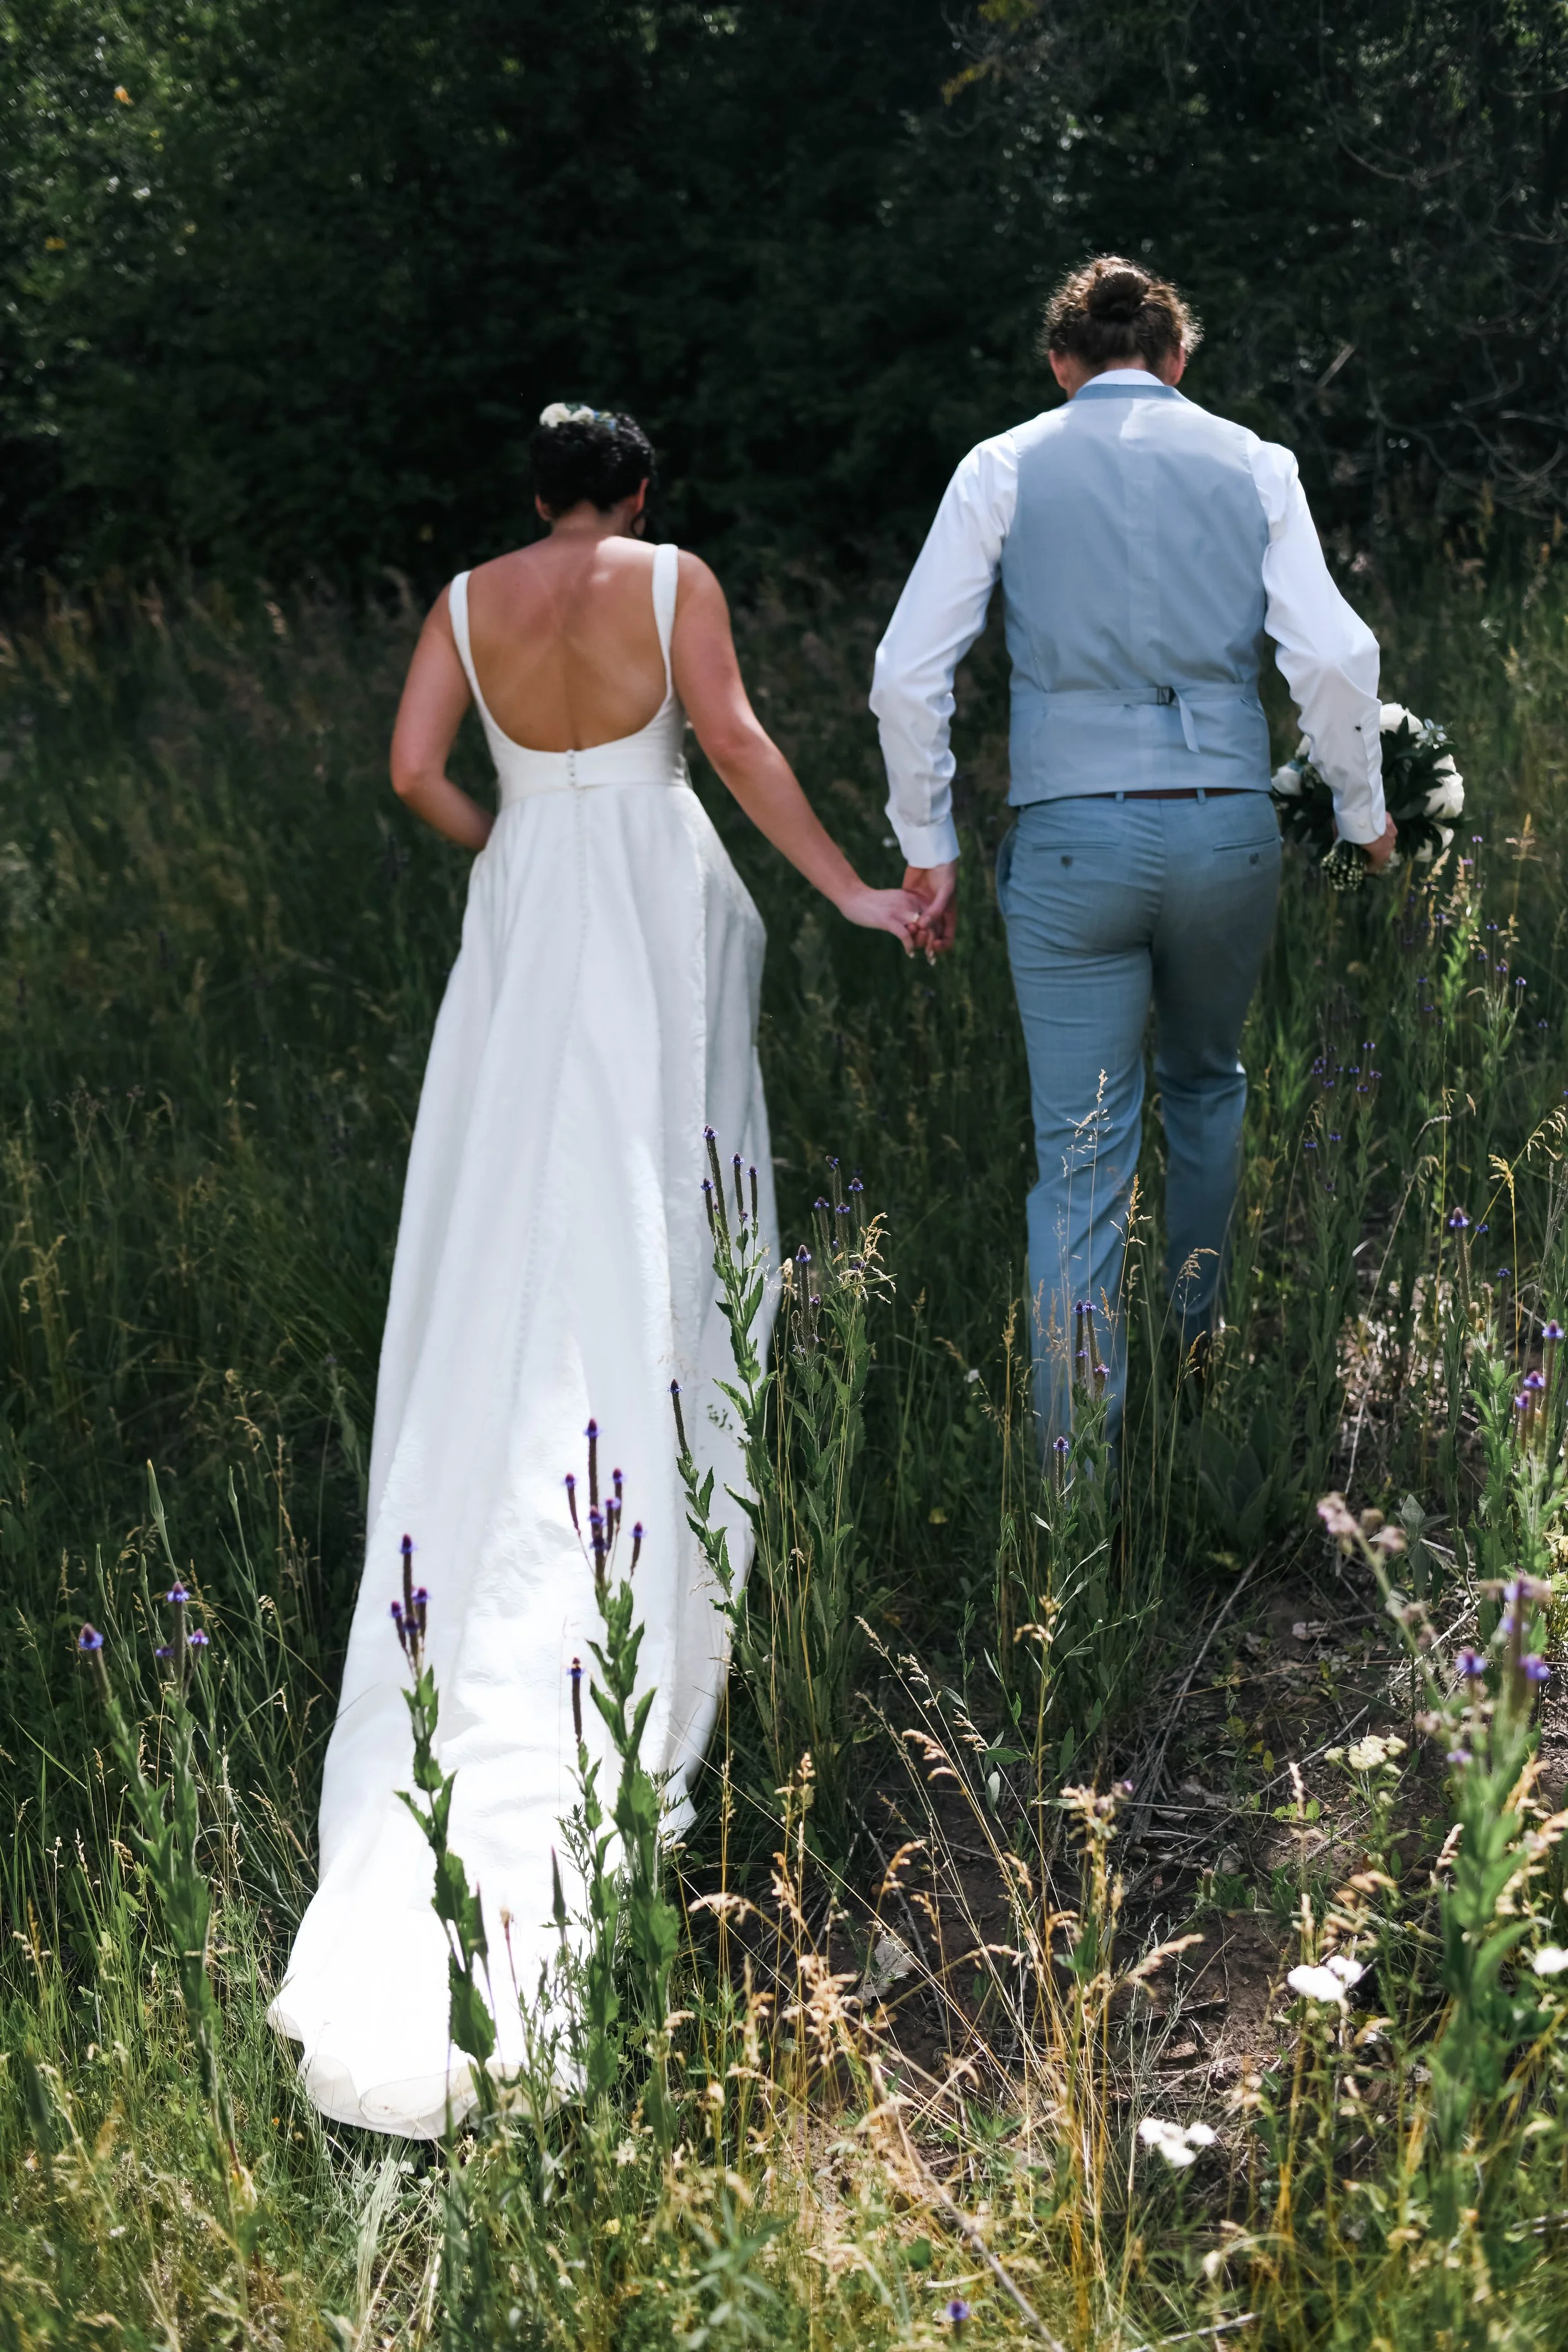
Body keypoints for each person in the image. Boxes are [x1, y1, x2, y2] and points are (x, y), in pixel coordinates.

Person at [269, 401, 921, 2135]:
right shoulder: (670, 575)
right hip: (644, 897)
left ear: (531, 493)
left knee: (506, 1211)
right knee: (649, 1196)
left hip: (534, 898)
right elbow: (730, 737)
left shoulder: (470, 601)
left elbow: (414, 770)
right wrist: (853, 889)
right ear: (636, 490)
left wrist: (519, 851)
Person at [872, 256, 1394, 1444]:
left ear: (1061, 367)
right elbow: (1333, 660)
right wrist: (1363, 811)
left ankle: (1074, 1488)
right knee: (1209, 1084)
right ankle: (1197, 1353)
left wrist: (929, 841)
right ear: (1178, 359)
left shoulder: (1002, 465)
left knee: (1081, 1156)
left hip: (1070, 837)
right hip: (1223, 823)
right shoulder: (1257, 464)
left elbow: (907, 676)